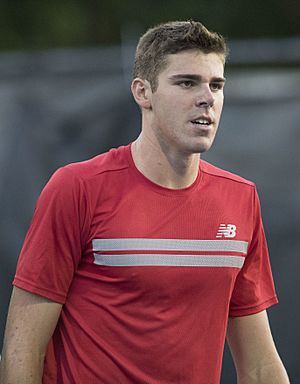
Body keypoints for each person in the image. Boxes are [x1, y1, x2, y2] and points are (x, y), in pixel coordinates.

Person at [0, 20, 289, 384]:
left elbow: (260, 366)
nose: (207, 97)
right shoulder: (77, 187)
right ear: (143, 92)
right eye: (186, 82)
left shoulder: (240, 197)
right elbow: (21, 347)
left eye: (216, 84)